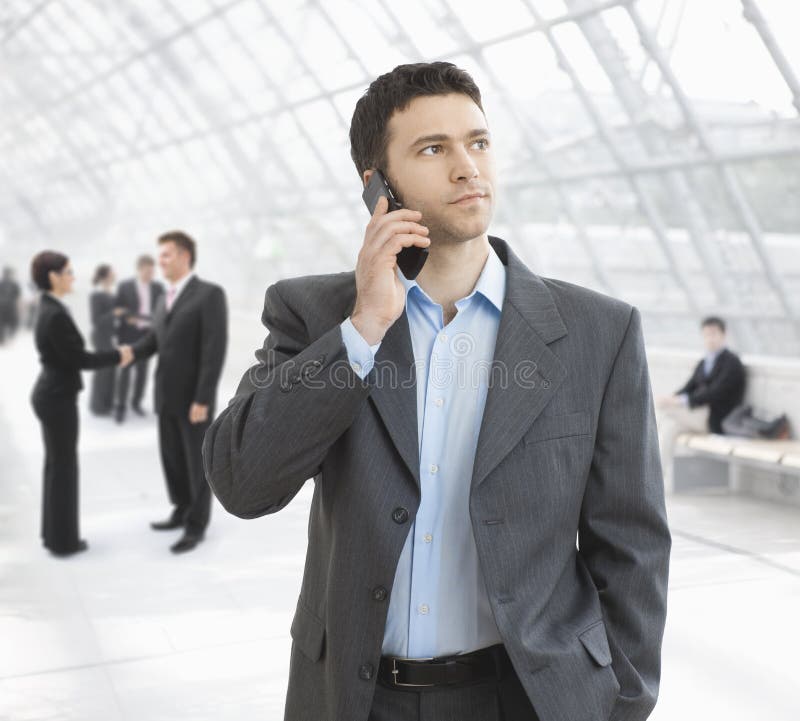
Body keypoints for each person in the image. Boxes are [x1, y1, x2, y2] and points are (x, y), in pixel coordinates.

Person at [203, 62, 671, 721]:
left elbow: (632, 544)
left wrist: (619, 701)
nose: (467, 168)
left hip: (528, 699)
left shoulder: (599, 331)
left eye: (478, 142)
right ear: (377, 188)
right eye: (433, 149)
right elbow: (241, 481)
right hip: (356, 699)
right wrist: (363, 329)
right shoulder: (313, 314)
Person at [30, 251, 133, 557]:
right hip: (57, 397)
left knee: (55, 466)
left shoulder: (49, 307)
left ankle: (53, 536)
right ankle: (64, 542)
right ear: (53, 277)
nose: (73, 277)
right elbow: (79, 359)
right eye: (69, 271)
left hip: (50, 393)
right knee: (63, 468)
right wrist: (118, 355)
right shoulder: (56, 313)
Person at [132, 232, 227, 554]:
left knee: (195, 462)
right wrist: (126, 353)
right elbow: (153, 342)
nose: (160, 261)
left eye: (166, 255)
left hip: (193, 400)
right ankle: (181, 509)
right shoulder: (163, 298)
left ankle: (196, 524)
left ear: (185, 256)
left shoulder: (208, 295)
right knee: (172, 458)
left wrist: (203, 398)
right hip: (165, 396)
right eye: (160, 255)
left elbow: (213, 351)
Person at [657, 316, 746, 488]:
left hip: (717, 419)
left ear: (723, 334)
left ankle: (647, 472)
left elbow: (715, 393)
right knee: (669, 426)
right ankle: (657, 480)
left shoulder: (732, 363)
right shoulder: (704, 362)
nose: (710, 339)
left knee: (663, 412)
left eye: (714, 334)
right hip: (700, 416)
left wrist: (677, 402)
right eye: (706, 335)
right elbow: (688, 388)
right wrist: (673, 398)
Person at [114, 255, 164, 422]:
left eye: (152, 271)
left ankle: (136, 403)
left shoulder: (158, 287)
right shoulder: (125, 286)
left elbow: (163, 308)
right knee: (125, 371)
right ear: (139, 269)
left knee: (143, 372)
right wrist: (128, 317)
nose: (151, 274)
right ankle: (120, 406)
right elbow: (117, 308)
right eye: (147, 270)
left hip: (148, 335)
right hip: (128, 334)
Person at [88, 264, 123, 416]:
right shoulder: (96, 294)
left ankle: (108, 404)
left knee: (112, 371)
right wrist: (114, 313)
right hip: (101, 337)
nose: (114, 274)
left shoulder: (111, 294)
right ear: (105, 276)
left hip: (111, 337)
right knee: (103, 371)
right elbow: (96, 320)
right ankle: (98, 406)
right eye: (112, 272)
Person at [0, 266, 21, 343]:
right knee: (13, 322)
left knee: (2, 323)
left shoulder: (2, 283)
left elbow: (18, 296)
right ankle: (7, 337)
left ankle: (3, 339)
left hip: (3, 306)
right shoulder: (14, 284)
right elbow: (18, 296)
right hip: (10, 306)